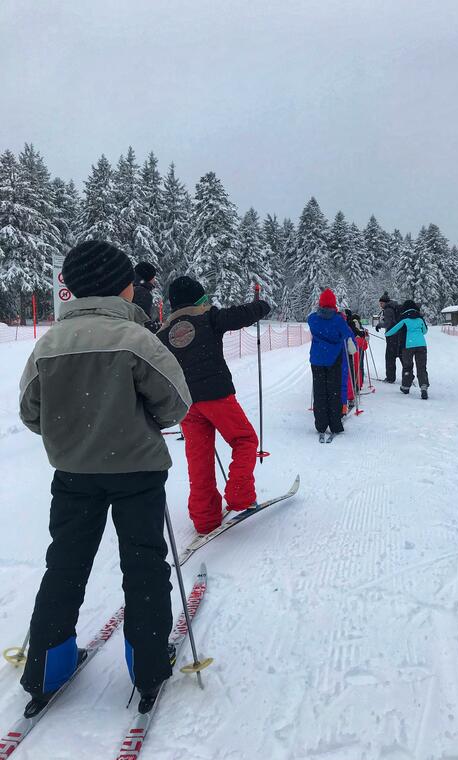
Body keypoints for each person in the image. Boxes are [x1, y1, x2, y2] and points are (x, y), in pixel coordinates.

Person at [18, 240, 191, 717]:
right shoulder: (136, 339)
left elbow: (31, 413)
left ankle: (48, 667)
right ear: (122, 286)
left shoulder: (48, 344)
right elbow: (176, 403)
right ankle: (149, 666)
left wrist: (73, 431)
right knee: (143, 564)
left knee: (66, 565)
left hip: (74, 474)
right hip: (136, 470)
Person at [157, 276, 270, 535]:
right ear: (198, 298)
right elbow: (241, 315)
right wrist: (261, 306)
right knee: (245, 440)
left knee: (199, 459)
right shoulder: (209, 317)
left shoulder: (164, 333)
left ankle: (204, 517)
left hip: (186, 403)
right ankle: (240, 496)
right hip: (216, 396)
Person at [308, 289, 357, 436]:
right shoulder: (338, 320)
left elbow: (312, 321)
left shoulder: (313, 319)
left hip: (317, 358)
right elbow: (346, 333)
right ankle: (335, 424)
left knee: (319, 392)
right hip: (334, 359)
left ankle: (320, 424)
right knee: (333, 392)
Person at [385, 299, 429, 399]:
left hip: (408, 346)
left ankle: (405, 387)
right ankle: (423, 387)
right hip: (421, 345)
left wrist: (386, 334)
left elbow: (394, 329)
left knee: (407, 366)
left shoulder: (404, 319)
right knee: (422, 367)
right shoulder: (420, 319)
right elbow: (425, 331)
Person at [376, 292, 402, 383]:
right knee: (401, 355)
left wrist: (379, 325)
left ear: (385, 303)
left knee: (390, 357)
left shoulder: (388, 310)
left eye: (381, 303)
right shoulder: (394, 307)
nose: (380, 305)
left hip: (392, 336)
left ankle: (390, 378)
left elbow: (388, 323)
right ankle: (409, 376)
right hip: (399, 335)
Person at [133, 261, 161, 332]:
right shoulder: (143, 293)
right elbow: (142, 322)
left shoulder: (129, 289)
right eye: (154, 277)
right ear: (149, 277)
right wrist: (157, 327)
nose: (154, 280)